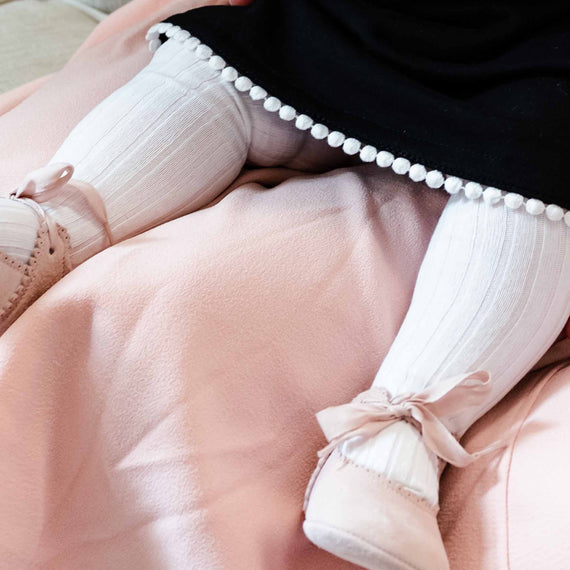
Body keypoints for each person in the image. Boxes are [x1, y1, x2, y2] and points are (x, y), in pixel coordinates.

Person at [1, 2, 569, 568]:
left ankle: (394, 436)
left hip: (542, 77)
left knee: (539, 185)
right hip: (363, 29)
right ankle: (40, 236)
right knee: (217, 70)